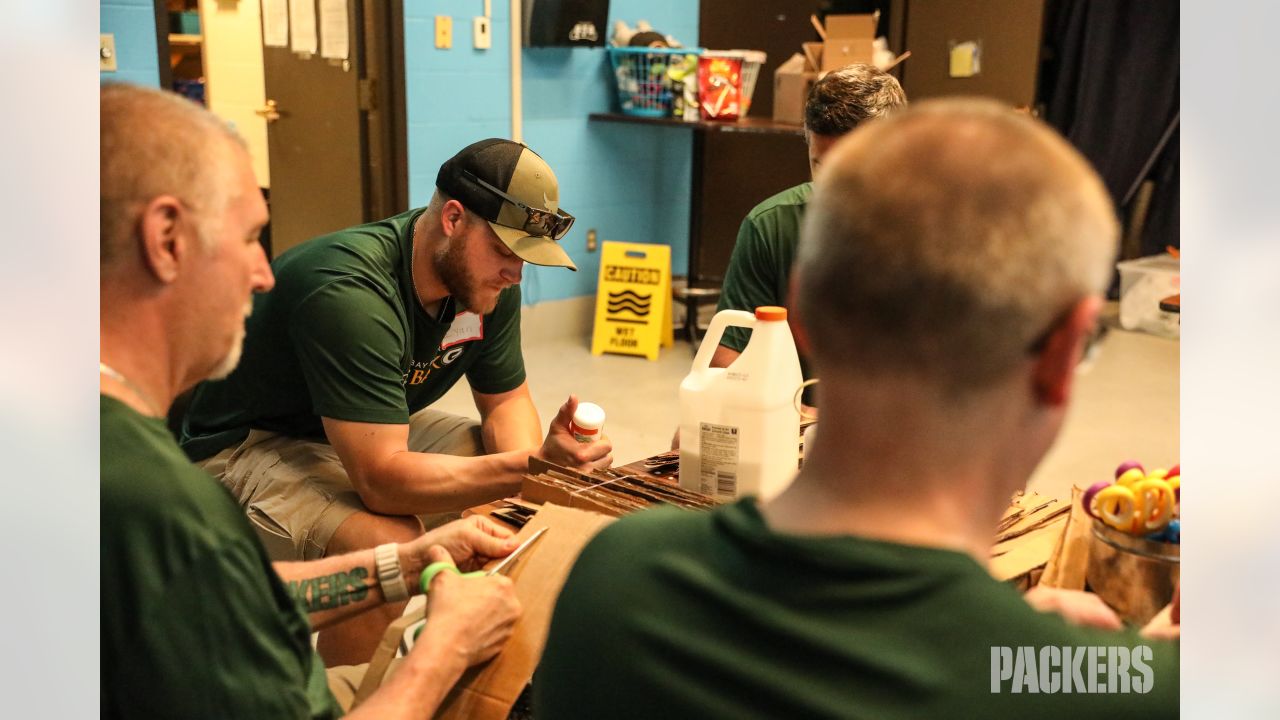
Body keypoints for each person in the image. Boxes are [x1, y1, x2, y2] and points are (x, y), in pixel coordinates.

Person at [537, 99, 1179, 718]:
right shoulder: (1133, 690)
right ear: (1063, 354)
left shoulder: (614, 582)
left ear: (801, 310)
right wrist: (1102, 663)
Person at [101, 84, 521, 718]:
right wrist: (445, 650)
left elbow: (228, 593)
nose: (265, 273)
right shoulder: (159, 505)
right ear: (167, 240)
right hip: (255, 441)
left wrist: (399, 569)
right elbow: (222, 586)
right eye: (249, 238)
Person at [179, 137, 612, 664]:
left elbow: (504, 404)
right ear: (453, 218)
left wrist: (526, 494)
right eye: (504, 252)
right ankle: (357, 696)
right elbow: (382, 481)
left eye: (524, 257)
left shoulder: (486, 287)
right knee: (385, 543)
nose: (515, 273)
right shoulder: (349, 290)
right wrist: (531, 465)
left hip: (352, 429)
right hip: (245, 444)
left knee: (508, 494)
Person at [712, 64, 907, 383]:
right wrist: (796, 416)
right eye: (821, 166)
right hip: (793, 423)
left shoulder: (941, 234)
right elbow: (726, 361)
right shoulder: (772, 226)